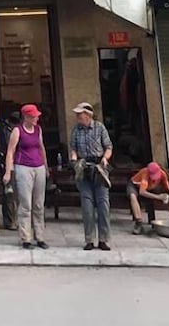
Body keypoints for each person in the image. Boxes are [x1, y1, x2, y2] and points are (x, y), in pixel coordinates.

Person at [3, 103, 48, 250]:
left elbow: (41, 148)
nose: (36, 118)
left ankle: (40, 236)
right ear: (26, 117)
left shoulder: (38, 129)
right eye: (34, 116)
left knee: (39, 204)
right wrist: (8, 171)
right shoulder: (18, 131)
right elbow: (10, 151)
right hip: (23, 167)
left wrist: (46, 167)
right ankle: (25, 237)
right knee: (26, 204)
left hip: (38, 167)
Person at [69, 102, 113, 252]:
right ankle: (89, 239)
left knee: (103, 205)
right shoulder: (76, 130)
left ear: (88, 115)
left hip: (99, 167)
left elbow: (108, 147)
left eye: (80, 114)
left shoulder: (100, 128)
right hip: (84, 167)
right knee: (87, 206)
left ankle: (103, 239)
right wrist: (74, 160)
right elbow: (73, 148)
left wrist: (105, 158)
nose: (77, 117)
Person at [128, 161, 169, 232]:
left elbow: (168, 190)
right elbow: (142, 192)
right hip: (135, 186)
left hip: (150, 188)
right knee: (132, 196)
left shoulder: (163, 174)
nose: (154, 179)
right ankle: (139, 223)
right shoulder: (145, 173)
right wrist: (159, 197)